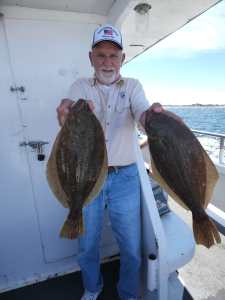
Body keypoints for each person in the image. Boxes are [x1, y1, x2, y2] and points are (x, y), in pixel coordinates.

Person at [57, 24, 163, 300]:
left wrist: (152, 118)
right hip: (87, 176)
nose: (107, 62)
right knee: (86, 243)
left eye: (113, 56)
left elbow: (141, 113)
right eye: (100, 55)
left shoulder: (133, 86)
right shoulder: (81, 86)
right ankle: (92, 288)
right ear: (90, 58)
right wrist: (66, 111)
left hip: (125, 177)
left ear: (122, 59)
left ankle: (127, 293)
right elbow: (69, 104)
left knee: (130, 245)